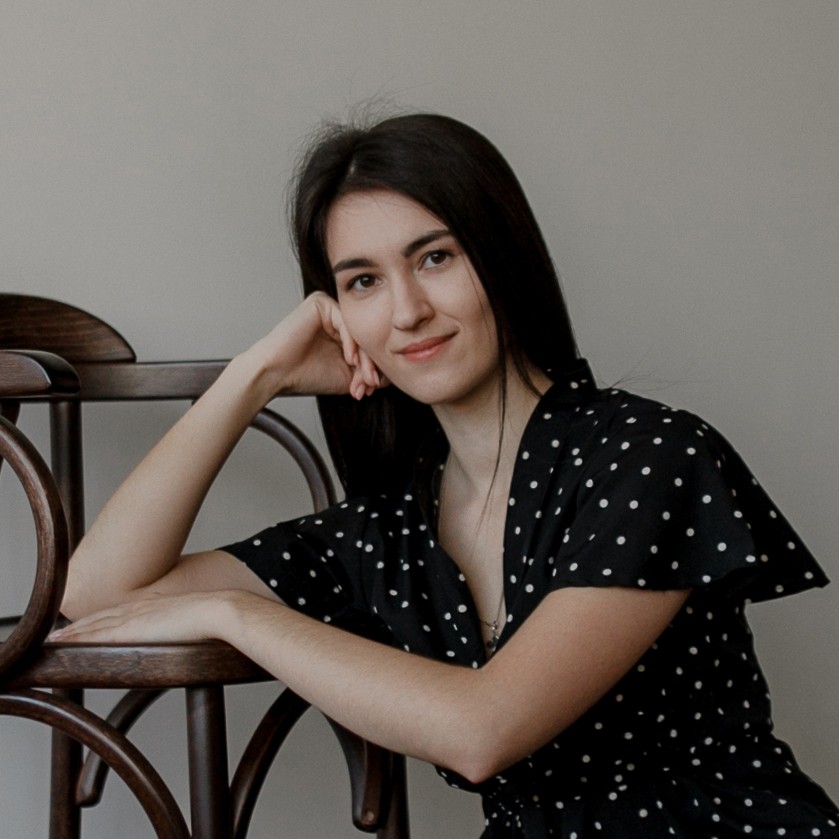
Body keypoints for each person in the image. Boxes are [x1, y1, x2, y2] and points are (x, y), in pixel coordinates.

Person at [49, 114, 839, 838]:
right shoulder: (387, 531)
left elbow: (481, 730)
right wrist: (254, 375)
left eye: (434, 257)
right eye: (362, 281)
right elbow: (98, 596)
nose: (406, 312)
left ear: (500, 258)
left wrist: (236, 614)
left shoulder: (647, 455)